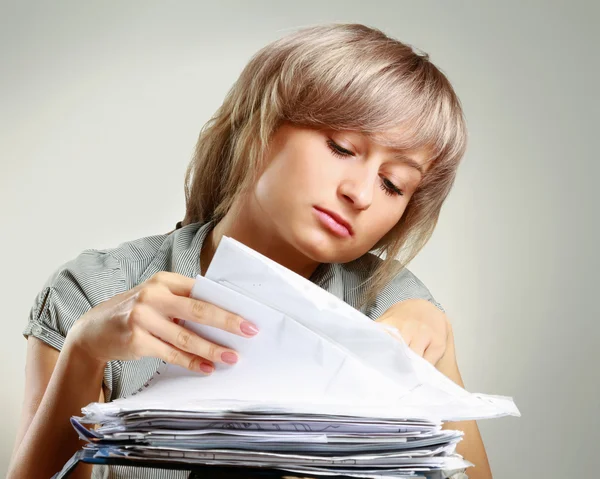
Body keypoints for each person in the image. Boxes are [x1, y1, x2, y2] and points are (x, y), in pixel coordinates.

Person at [7, 23, 492, 479]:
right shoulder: (93, 289)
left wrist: (440, 355)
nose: (361, 194)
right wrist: (84, 350)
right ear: (260, 124)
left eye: (393, 184)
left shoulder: (398, 307)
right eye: (343, 148)